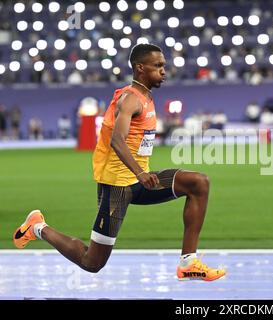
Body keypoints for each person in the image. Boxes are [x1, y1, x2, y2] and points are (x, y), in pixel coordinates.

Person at [13, 44, 226, 282]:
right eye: (158, 66)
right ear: (140, 68)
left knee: (198, 183)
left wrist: (141, 174)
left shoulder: (146, 97)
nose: (164, 71)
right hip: (118, 187)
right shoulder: (130, 100)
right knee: (92, 262)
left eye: (164, 66)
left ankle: (188, 263)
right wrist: (140, 173)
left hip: (139, 179)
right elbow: (117, 140)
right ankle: (37, 227)